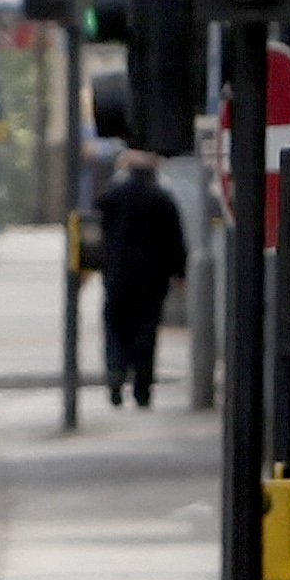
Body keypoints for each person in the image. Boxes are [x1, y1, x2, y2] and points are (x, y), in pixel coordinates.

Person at [89, 151, 188, 409]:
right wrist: (179, 273)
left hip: (117, 274)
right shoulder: (162, 199)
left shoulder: (111, 196)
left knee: (115, 328)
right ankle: (142, 391)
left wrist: (91, 267)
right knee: (146, 332)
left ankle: (116, 371)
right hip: (152, 279)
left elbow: (92, 228)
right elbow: (175, 240)